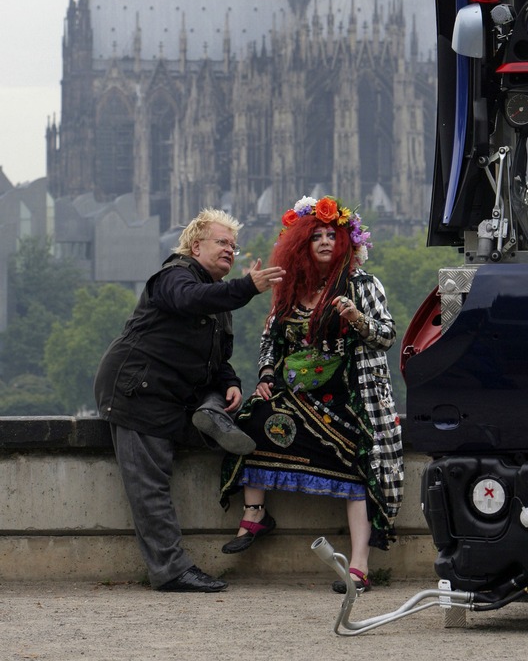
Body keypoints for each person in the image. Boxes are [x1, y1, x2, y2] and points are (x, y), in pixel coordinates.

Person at [219, 195, 403, 594]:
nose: (323, 242)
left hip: (348, 398)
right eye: (315, 236)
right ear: (301, 244)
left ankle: (359, 567)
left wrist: (356, 318)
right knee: (253, 419)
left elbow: (388, 336)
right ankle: (255, 514)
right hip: (296, 393)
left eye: (331, 236)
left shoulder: (362, 285)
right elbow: (271, 340)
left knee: (358, 469)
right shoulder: (291, 288)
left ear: (345, 244)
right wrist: (267, 373)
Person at [94, 208, 284, 593]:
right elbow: (188, 299)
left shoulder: (216, 301)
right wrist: (247, 286)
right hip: (136, 393)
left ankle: (213, 413)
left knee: (224, 396)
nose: (231, 250)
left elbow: (217, 359)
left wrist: (230, 383)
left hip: (173, 395)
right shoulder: (174, 276)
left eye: (234, 245)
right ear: (196, 246)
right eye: (222, 242)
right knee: (150, 485)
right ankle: (170, 571)